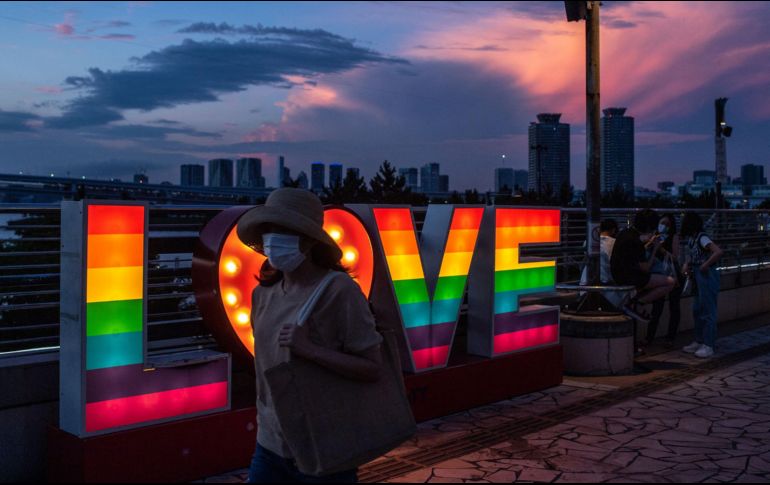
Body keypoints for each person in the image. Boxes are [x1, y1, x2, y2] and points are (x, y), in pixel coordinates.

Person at [236, 188, 384, 483]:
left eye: (284, 230)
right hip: (269, 445)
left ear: (308, 240)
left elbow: (372, 367)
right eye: (269, 230)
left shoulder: (339, 291)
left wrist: (311, 349)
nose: (273, 239)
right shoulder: (261, 295)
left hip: (325, 448)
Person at [610, 209, 675, 322]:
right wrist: (655, 248)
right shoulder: (636, 241)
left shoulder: (625, 233)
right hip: (629, 278)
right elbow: (645, 268)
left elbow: (633, 255)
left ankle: (635, 302)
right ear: (649, 227)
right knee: (670, 282)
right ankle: (638, 303)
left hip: (617, 273)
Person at [680, 212, 723, 358]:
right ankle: (700, 340)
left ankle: (708, 344)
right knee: (697, 309)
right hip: (698, 275)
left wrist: (705, 265)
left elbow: (717, 251)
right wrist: (687, 264)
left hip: (706, 275)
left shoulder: (702, 238)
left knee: (707, 309)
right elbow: (691, 255)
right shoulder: (693, 239)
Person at [643, 213, 684, 347]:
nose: (664, 226)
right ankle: (649, 338)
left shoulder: (674, 237)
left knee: (674, 306)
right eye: (662, 223)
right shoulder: (655, 235)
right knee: (657, 307)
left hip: (673, 274)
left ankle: (670, 338)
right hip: (658, 274)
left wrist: (660, 249)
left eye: (667, 224)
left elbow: (675, 257)